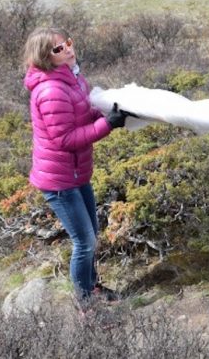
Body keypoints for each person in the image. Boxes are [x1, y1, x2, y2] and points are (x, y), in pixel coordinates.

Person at [23, 26, 132, 309]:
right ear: (45, 56)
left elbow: (85, 112)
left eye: (67, 43)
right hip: (60, 181)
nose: (68, 49)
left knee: (90, 237)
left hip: (76, 173)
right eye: (58, 48)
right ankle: (86, 305)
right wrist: (108, 124)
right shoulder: (51, 90)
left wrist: (112, 110)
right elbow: (65, 139)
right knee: (84, 242)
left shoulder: (73, 79)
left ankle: (91, 287)